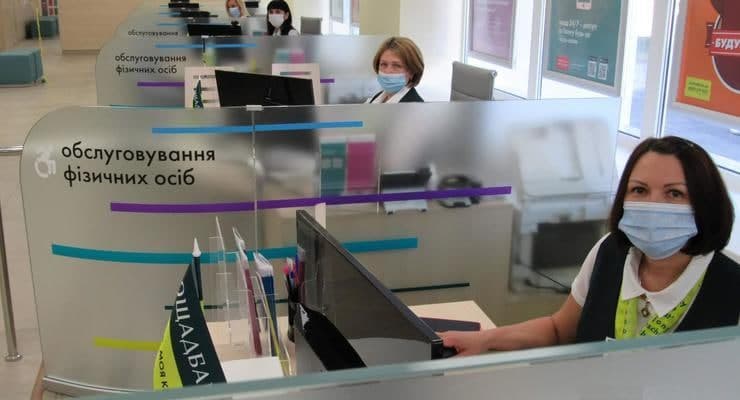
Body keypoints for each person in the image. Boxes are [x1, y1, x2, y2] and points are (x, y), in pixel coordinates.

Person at [440, 136, 740, 356]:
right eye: (639, 190)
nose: (653, 204)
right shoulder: (609, 252)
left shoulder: (731, 287)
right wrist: (486, 339)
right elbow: (559, 329)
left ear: (705, 203)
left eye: (674, 194)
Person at [366, 37, 425, 103]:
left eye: (397, 65)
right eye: (384, 64)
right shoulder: (376, 98)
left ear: (412, 72)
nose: (388, 71)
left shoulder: (416, 106)